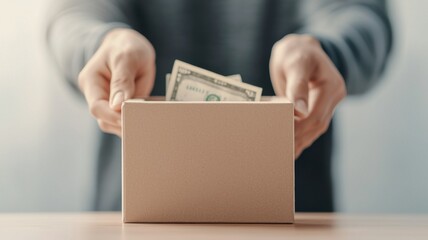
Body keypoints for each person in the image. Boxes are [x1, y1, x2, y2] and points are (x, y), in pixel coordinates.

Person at [46, 0, 393, 212]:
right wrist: (102, 44)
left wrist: (329, 52)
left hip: (292, 218)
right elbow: (74, 12)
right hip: (135, 219)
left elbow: (360, 14)